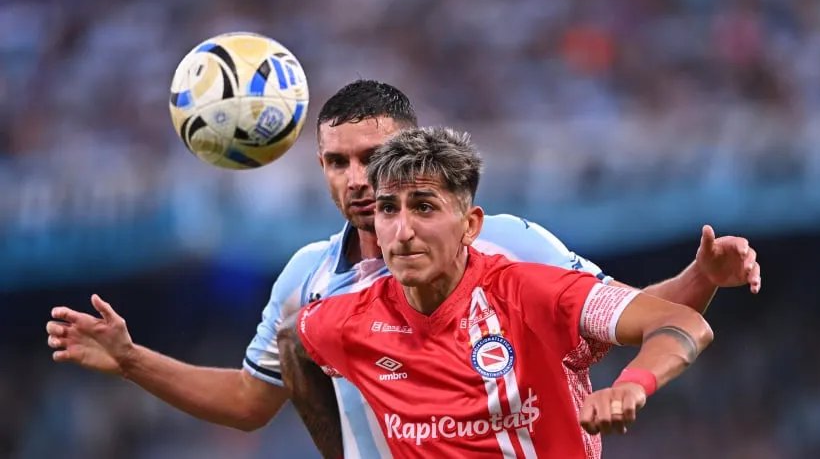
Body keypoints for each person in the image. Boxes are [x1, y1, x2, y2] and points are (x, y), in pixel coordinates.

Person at [46, 80, 760, 459]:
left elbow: (623, 313)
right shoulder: (309, 284)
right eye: (337, 162)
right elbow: (249, 399)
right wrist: (133, 359)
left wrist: (696, 282)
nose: (357, 179)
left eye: (373, 158)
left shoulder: (508, 248)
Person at [281, 126, 715, 458]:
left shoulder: (530, 293)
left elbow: (681, 322)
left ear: (470, 225)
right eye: (388, 209)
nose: (403, 231)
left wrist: (632, 386)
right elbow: (295, 342)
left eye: (424, 207)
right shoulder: (347, 320)